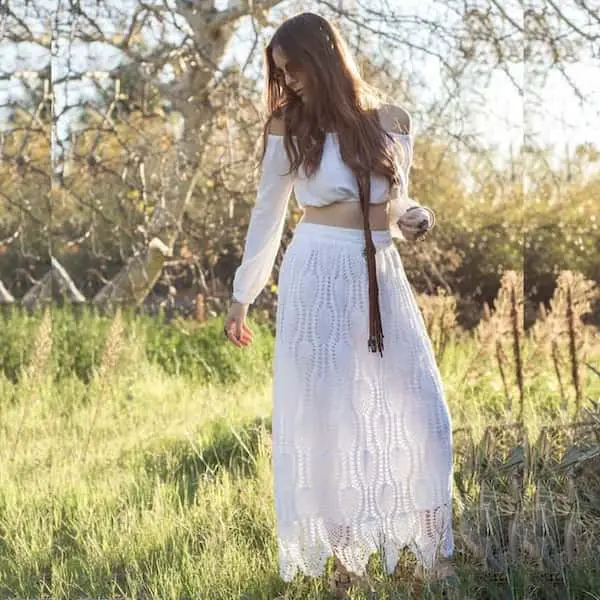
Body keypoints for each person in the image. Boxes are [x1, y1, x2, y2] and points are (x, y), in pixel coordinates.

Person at [224, 12, 456, 598]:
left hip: (379, 269)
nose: (289, 80)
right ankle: (344, 564)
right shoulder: (288, 125)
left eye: (295, 67)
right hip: (317, 270)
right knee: (328, 418)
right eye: (280, 72)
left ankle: (430, 554)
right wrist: (242, 295)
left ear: (324, 57)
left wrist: (413, 217)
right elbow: (268, 211)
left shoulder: (392, 121)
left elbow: (392, 206)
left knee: (427, 411)